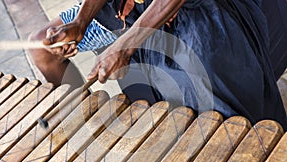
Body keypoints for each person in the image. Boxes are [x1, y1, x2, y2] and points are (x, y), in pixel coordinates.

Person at [28, 0, 287, 130]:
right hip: (136, 8)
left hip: (200, 8)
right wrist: (81, 21)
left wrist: (126, 45)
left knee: (219, 109)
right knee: (170, 118)